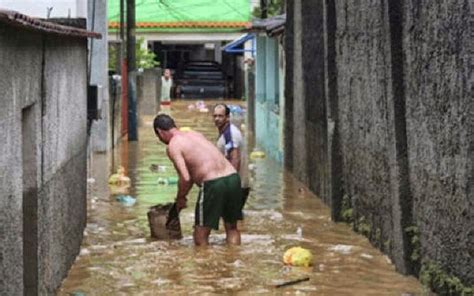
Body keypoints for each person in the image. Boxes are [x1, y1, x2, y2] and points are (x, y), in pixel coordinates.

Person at [153, 114, 243, 246]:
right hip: (233, 178)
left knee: (200, 234)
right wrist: (182, 197)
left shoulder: (173, 145)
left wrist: (180, 198)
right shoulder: (194, 134)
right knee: (232, 228)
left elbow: (185, 177)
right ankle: (235, 260)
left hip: (213, 184)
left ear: (160, 132)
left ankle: (204, 265)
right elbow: (190, 176)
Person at [213, 104, 250, 205]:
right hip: (236, 185)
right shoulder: (225, 132)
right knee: (233, 218)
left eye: (220, 116)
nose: (217, 119)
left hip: (236, 186)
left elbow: (235, 158)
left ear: (228, 117)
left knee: (229, 219)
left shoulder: (230, 135)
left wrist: (230, 186)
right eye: (215, 116)